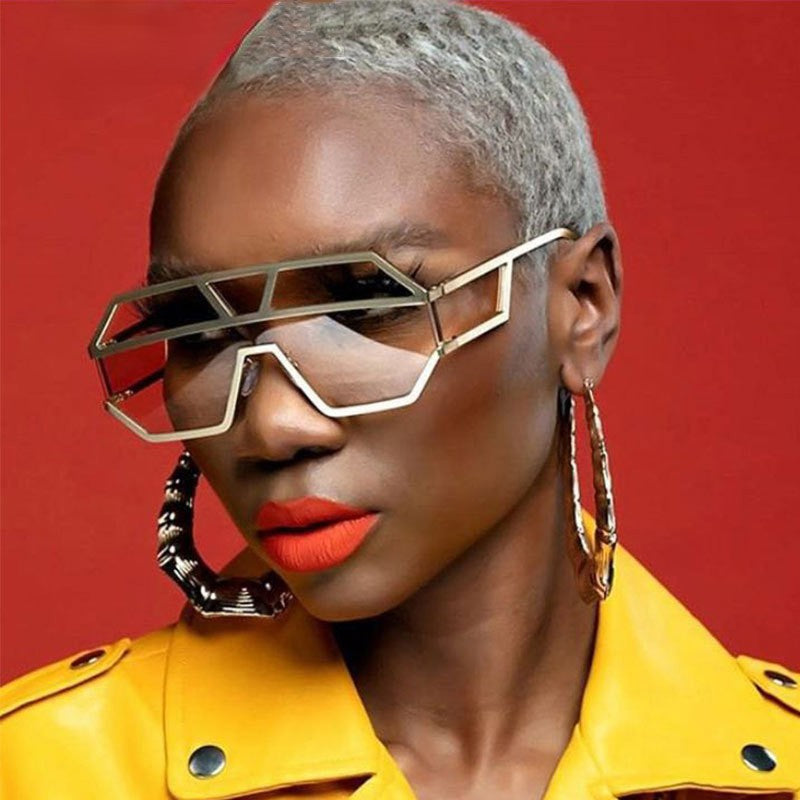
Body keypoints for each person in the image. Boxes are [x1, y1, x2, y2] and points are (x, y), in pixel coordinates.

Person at [1, 1, 798, 798]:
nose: (273, 424)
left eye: (369, 304)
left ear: (582, 305)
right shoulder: (43, 772)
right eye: (199, 327)